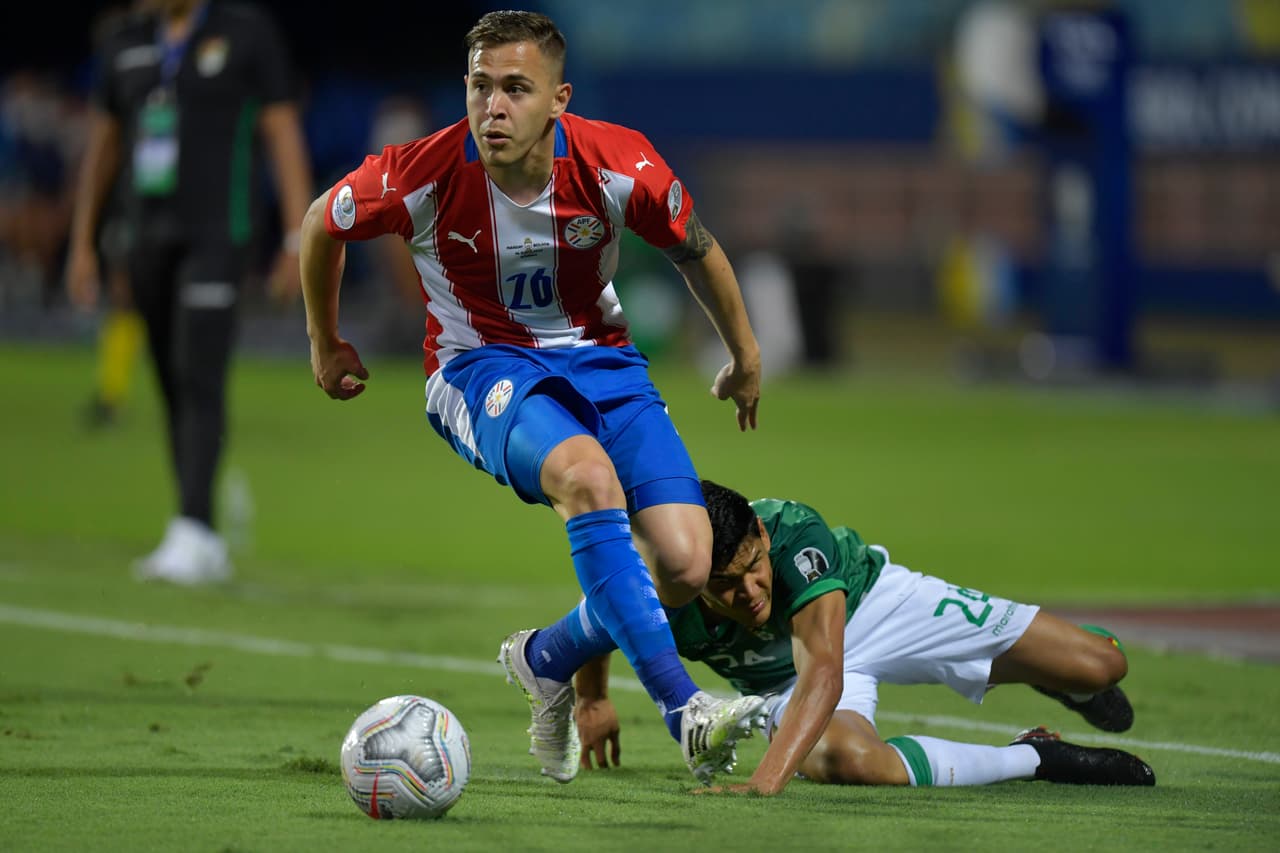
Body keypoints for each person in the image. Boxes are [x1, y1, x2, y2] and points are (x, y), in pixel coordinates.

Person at [298, 10, 766, 785]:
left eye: (516, 88)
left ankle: (544, 658)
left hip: (604, 360)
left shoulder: (619, 165)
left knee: (686, 565)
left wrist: (745, 355)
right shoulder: (424, 171)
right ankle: (687, 710)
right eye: (481, 87)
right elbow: (323, 220)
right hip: (479, 367)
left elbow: (699, 248)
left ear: (560, 99)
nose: (494, 107)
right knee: (587, 479)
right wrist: (324, 340)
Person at [570, 479, 1156, 794]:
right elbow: (598, 617)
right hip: (782, 680)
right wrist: (592, 698)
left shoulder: (796, 533)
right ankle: (1035, 758)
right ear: (692, 581)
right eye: (726, 585)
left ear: (762, 536)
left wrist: (763, 783)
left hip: (875, 606)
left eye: (755, 566)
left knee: (1103, 665)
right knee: (851, 760)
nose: (750, 591)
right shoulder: (663, 584)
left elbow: (825, 668)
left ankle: (1061, 679)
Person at [64, 0, 314, 583]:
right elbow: (103, 145)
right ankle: (195, 533)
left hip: (218, 235)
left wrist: (296, 237)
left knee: (198, 370)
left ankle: (194, 527)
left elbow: (281, 130)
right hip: (143, 236)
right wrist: (83, 242)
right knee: (171, 380)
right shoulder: (123, 41)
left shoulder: (245, 31)